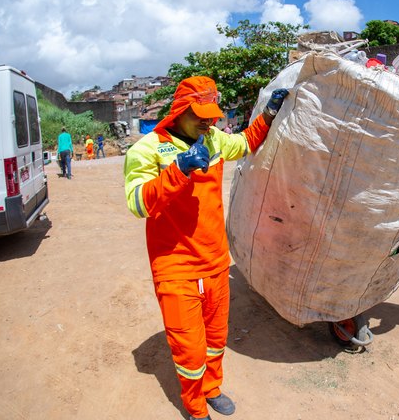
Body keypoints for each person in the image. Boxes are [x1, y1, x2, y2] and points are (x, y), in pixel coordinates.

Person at [124, 77, 289, 420]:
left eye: (212, 114)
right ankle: (195, 405)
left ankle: (212, 388)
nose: (208, 121)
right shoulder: (147, 148)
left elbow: (244, 143)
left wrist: (269, 115)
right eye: (200, 114)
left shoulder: (213, 139)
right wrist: (179, 169)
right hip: (177, 268)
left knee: (216, 338)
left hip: (215, 261)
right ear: (181, 110)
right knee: (189, 348)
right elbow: (138, 203)